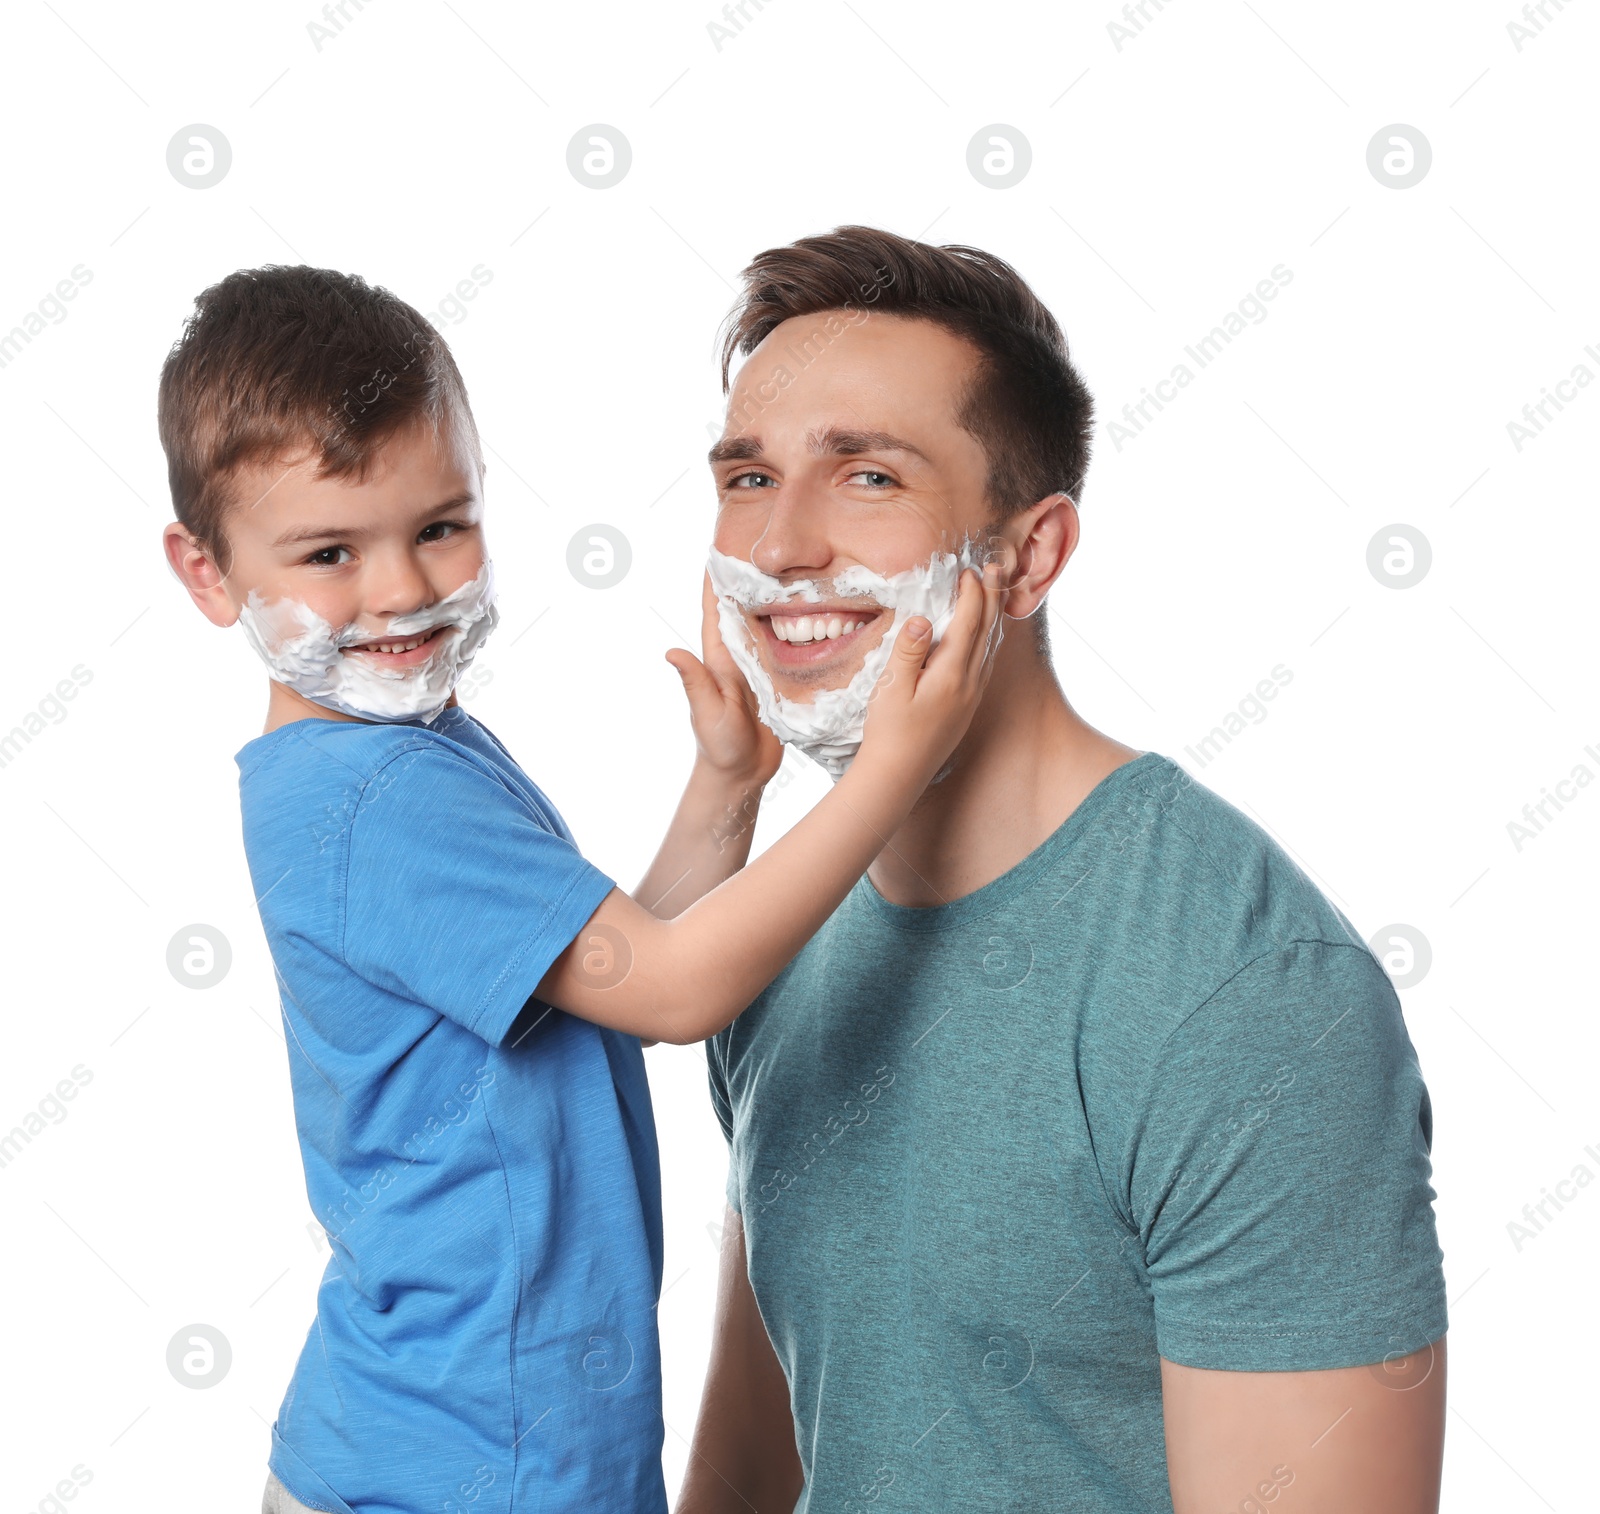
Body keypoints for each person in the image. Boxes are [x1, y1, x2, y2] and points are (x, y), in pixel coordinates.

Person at [157, 264, 1003, 1514]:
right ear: (208, 572)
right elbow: (671, 991)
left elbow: (610, 968)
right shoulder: (378, 796)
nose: (400, 589)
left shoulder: (404, 748)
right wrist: (888, 771)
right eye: (330, 551)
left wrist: (728, 785)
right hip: (459, 1465)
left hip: (463, 1441)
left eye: (440, 525)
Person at [679, 227, 1448, 1514]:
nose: (784, 545)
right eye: (749, 476)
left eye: (868, 475)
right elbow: (756, 1466)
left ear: (1027, 556)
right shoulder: (778, 927)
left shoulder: (1247, 992)